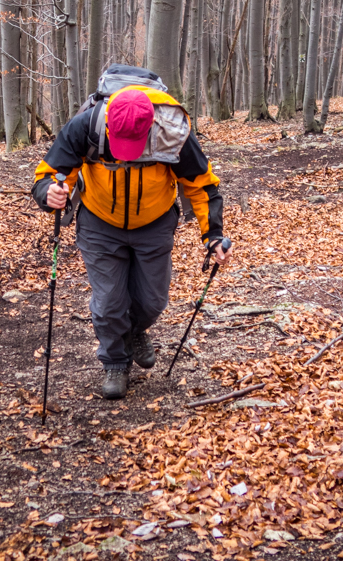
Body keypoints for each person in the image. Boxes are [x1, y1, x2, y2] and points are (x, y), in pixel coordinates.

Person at [32, 77, 231, 399]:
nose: (126, 155)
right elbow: (50, 174)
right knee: (109, 302)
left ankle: (135, 330)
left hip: (154, 222)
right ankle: (115, 362)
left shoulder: (174, 133)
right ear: (108, 123)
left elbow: (202, 185)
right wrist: (49, 193)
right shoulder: (86, 126)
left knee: (153, 301)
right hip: (99, 223)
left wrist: (213, 235)